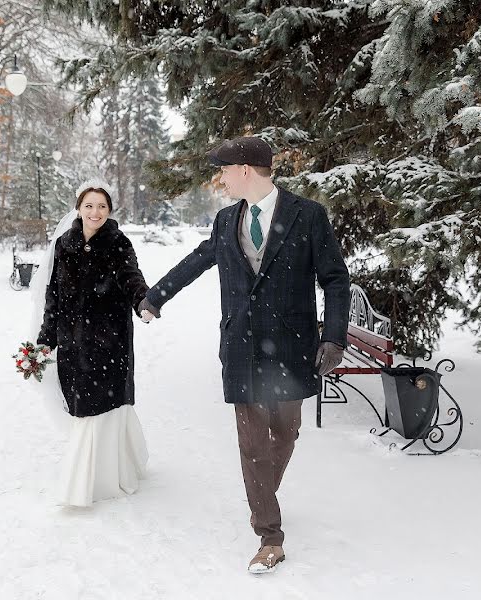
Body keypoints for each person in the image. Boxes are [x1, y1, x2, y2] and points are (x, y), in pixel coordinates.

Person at [139, 137, 350, 573]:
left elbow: (335, 279)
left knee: (285, 435)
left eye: (225, 170)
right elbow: (197, 261)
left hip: (291, 348)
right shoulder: (224, 220)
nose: (222, 178)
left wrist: (333, 338)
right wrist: (155, 296)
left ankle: (261, 494)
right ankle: (269, 535)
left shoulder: (307, 216)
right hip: (241, 347)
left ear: (247, 170)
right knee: (252, 443)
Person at [34, 181, 152, 507]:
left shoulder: (118, 243)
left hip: (108, 341)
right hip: (72, 342)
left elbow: (132, 278)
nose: (95, 212)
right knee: (83, 407)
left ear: (109, 211)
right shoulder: (64, 245)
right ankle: (115, 463)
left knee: (96, 408)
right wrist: (46, 340)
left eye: (101, 206)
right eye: (89, 205)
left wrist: (143, 302)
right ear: (79, 208)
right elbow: (53, 295)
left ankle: (86, 483)